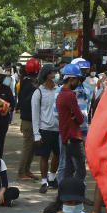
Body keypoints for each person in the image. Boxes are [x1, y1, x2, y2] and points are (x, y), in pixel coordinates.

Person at [31, 64, 61, 194]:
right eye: (53, 73)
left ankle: (52, 177)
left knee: (58, 155)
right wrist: (36, 134)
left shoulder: (59, 90)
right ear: (47, 75)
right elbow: (35, 114)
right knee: (44, 156)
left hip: (58, 129)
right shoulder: (38, 92)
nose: (55, 75)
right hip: (45, 129)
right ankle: (44, 181)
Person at [16, 59, 39, 181]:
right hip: (28, 120)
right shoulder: (30, 85)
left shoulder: (26, 83)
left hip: (30, 120)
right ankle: (21, 172)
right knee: (27, 146)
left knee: (32, 147)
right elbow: (26, 102)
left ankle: (27, 170)